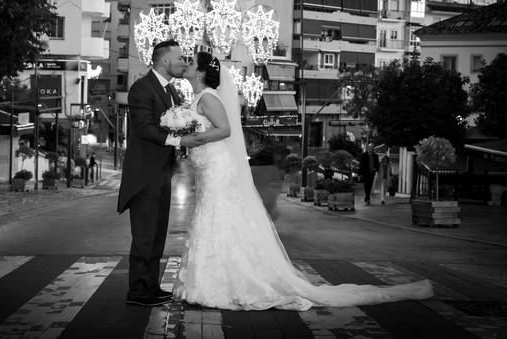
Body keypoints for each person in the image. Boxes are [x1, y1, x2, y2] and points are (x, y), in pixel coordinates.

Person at [173, 51, 433, 310]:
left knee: (217, 216)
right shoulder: (198, 98)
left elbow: (225, 130)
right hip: (206, 166)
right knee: (212, 215)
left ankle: (221, 282)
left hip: (217, 166)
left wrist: (194, 139)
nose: (186, 64)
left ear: (203, 71)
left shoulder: (208, 97)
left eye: (191, 62)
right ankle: (213, 278)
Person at [117, 40, 199, 307]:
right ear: (165, 61)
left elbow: (175, 123)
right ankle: (138, 292)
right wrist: (179, 140)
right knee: (144, 235)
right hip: (143, 175)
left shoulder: (171, 91)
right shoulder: (141, 88)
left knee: (157, 233)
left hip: (163, 172)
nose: (183, 63)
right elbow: (144, 128)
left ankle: (150, 285)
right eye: (180, 58)